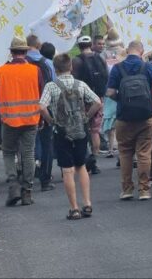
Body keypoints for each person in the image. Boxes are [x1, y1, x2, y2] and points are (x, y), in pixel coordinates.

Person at [38, 53, 102, 220]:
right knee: (81, 166)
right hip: (80, 130)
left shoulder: (51, 86)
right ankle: (87, 203)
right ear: (71, 67)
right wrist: (86, 117)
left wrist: (51, 121)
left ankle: (74, 208)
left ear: (55, 68)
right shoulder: (80, 84)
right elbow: (97, 102)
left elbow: (41, 107)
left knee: (67, 170)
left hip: (62, 132)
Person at [106, 41, 152, 201]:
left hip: (124, 117)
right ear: (141, 52)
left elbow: (109, 92)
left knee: (125, 153)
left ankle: (127, 189)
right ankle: (144, 190)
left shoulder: (117, 68)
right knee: (143, 153)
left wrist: (122, 99)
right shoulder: (147, 67)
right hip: (145, 116)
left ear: (127, 51)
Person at [0, 36, 43, 207]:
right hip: (31, 118)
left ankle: (13, 185)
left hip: (9, 119)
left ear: (11, 52)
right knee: (28, 153)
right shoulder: (35, 70)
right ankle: (27, 192)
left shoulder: (0, 71)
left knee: (8, 152)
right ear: (26, 51)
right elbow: (41, 93)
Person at [72, 36, 108, 175]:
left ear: (79, 46)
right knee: (95, 131)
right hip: (98, 99)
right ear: (90, 44)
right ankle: (94, 159)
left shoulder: (76, 61)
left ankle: (85, 158)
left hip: (82, 100)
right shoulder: (100, 58)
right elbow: (106, 76)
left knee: (82, 130)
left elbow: (74, 81)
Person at [25, 35, 57, 192]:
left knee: (26, 144)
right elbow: (53, 86)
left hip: (24, 108)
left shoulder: (21, 64)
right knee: (47, 143)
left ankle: (26, 177)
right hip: (45, 106)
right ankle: (45, 178)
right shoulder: (48, 63)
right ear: (38, 45)